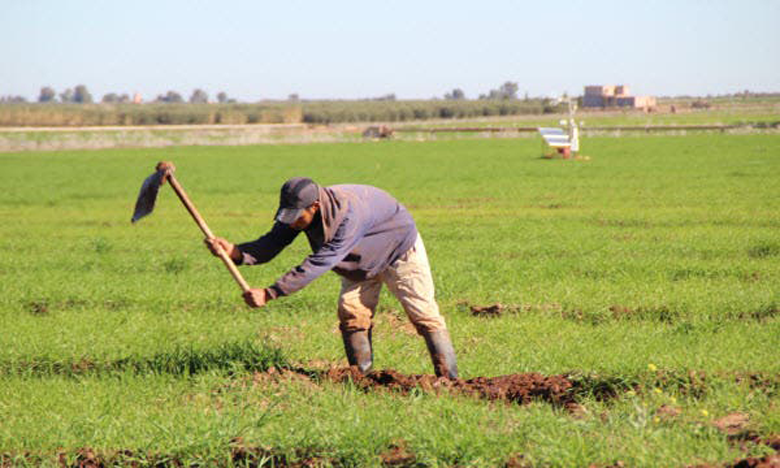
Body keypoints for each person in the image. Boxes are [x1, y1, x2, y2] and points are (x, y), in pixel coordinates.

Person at [205, 177, 458, 379]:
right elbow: (271, 243)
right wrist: (235, 252)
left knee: (423, 314)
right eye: (288, 217)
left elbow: (321, 261)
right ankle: (361, 378)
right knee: (351, 313)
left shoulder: (348, 213)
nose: (292, 223)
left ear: (314, 207)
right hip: (357, 262)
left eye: (297, 218)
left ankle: (449, 380)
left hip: (398, 251)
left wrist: (271, 292)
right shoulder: (296, 213)